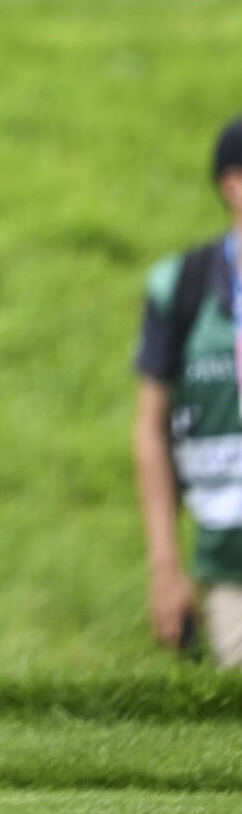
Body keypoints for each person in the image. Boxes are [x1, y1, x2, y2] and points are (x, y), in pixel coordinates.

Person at [133, 117, 242, 671]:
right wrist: (165, 567)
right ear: (234, 185)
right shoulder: (183, 285)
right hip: (230, 565)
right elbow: (151, 429)